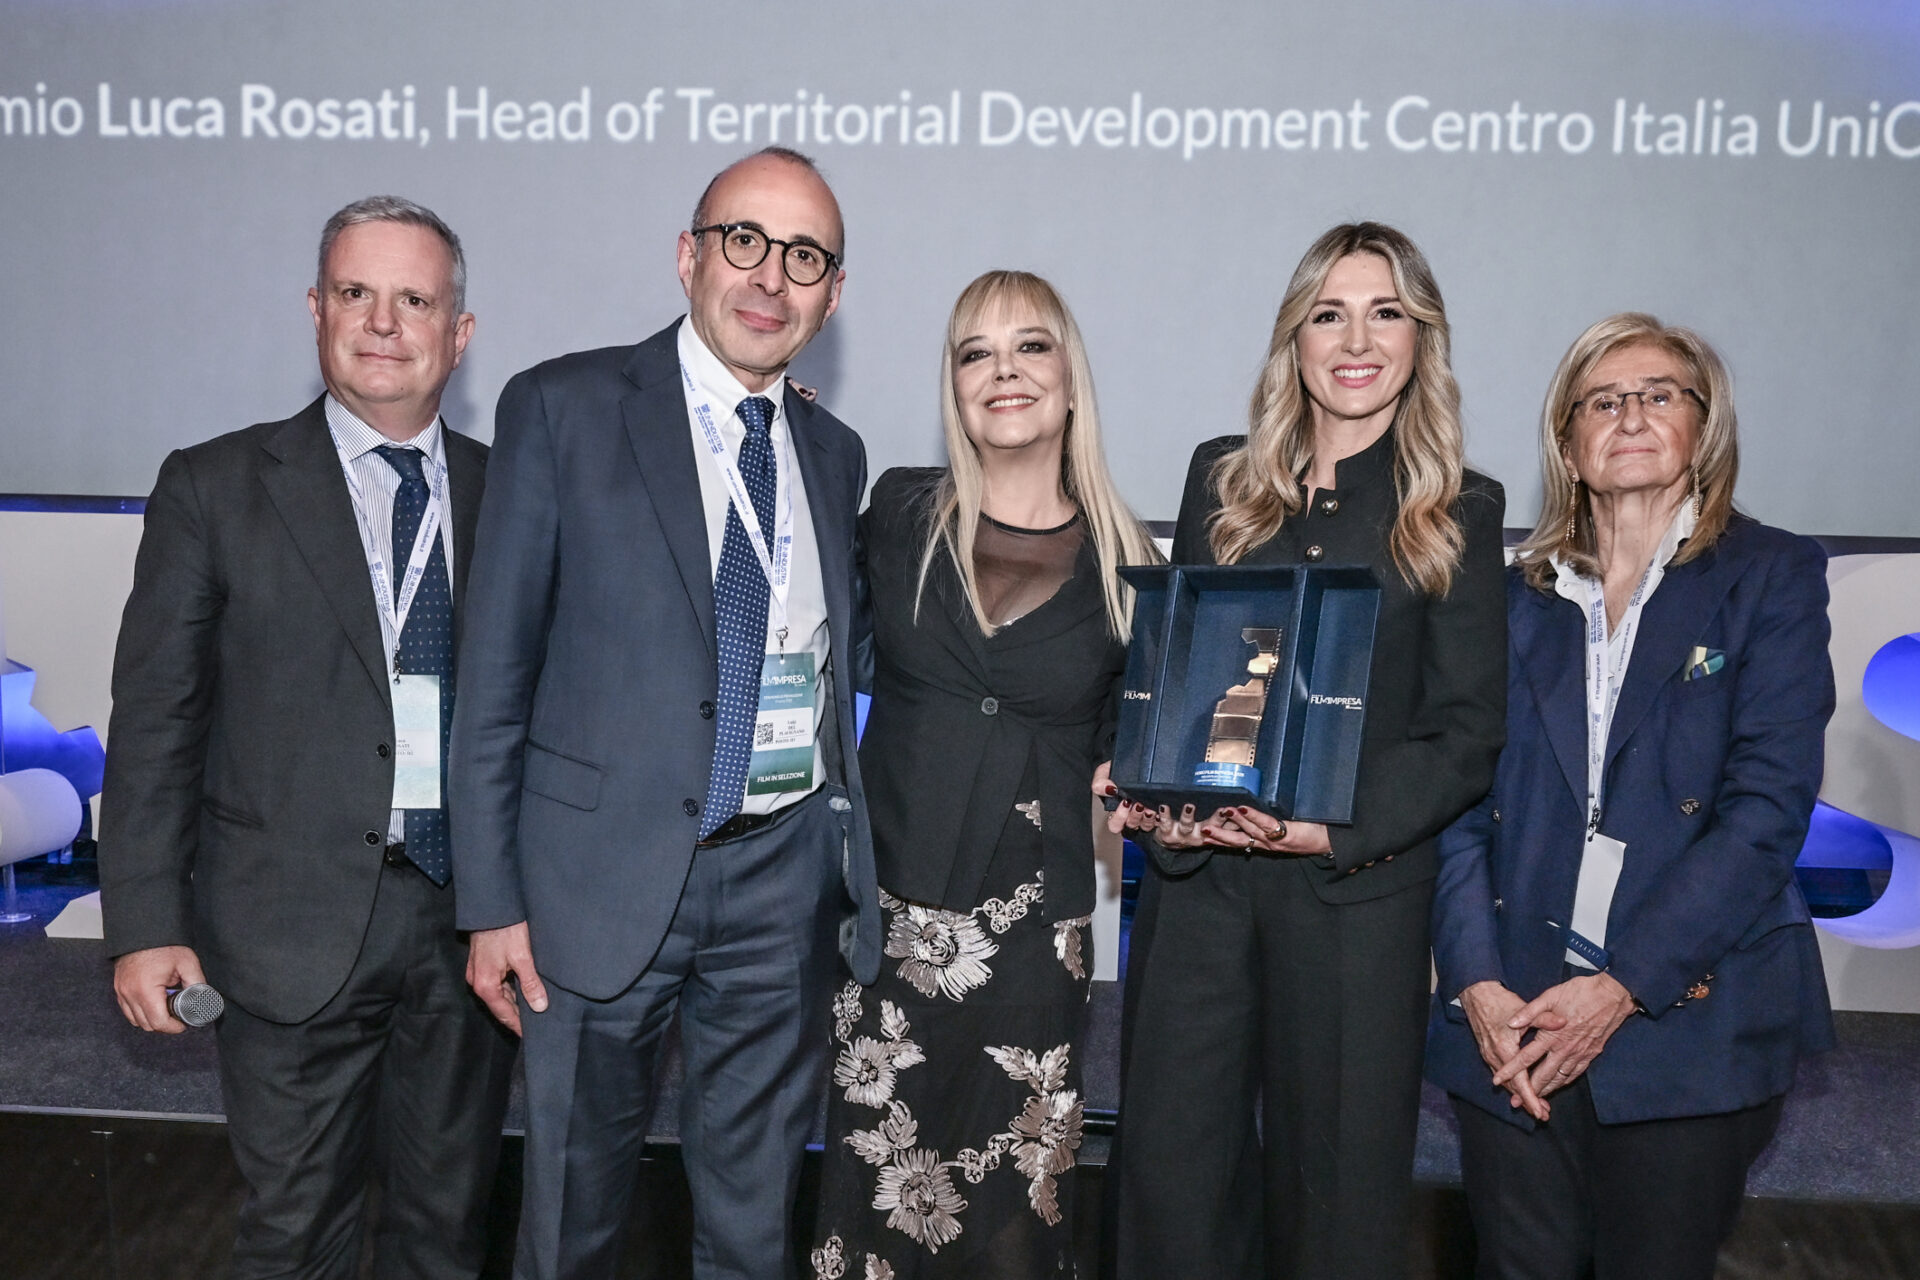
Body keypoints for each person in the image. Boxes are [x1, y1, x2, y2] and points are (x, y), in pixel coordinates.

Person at [449, 146, 882, 1280]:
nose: (771, 276)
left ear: (833, 295)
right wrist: (489, 900)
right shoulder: (563, 406)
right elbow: (494, 675)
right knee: (572, 1218)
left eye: (804, 257)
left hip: (781, 881)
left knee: (752, 1222)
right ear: (688, 256)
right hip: (592, 879)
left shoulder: (833, 452)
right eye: (745, 240)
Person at [100, 195, 516, 1278]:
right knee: (294, 1234)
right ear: (316, 310)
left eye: (414, 299)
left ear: (459, 333)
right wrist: (145, 920)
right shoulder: (214, 487)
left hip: (468, 932)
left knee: (446, 1233)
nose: (382, 321)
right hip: (284, 926)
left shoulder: (514, 491)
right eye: (355, 292)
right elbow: (156, 722)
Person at [1105, 222, 1508, 1280]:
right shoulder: (1220, 480)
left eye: (1386, 313)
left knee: (1339, 1203)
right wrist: (1142, 774)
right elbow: (1177, 670)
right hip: (1200, 888)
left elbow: (1467, 732)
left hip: (1354, 901)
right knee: (1171, 1184)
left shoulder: (1460, 509)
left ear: (1421, 339)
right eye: (1330, 314)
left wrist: (1329, 829)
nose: (1356, 340)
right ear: (1296, 337)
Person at [1424, 313, 1834, 1280]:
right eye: (1602, 402)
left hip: (1685, 1020)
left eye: (1659, 395)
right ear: (1568, 445)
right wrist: (1476, 982)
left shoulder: (1769, 577)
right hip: (1514, 1022)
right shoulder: (1508, 599)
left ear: (1705, 428)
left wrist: (1620, 989)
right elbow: (1452, 805)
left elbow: (1765, 815)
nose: (1632, 416)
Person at [809, 271, 1158, 1279]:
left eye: (1030, 345)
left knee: (1015, 1214)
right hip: (890, 926)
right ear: (954, 386)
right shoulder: (898, 511)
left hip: (1033, 941)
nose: (1004, 369)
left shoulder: (1128, 560)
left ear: (1070, 377)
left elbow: (1130, 741)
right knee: (872, 1207)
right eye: (976, 351)